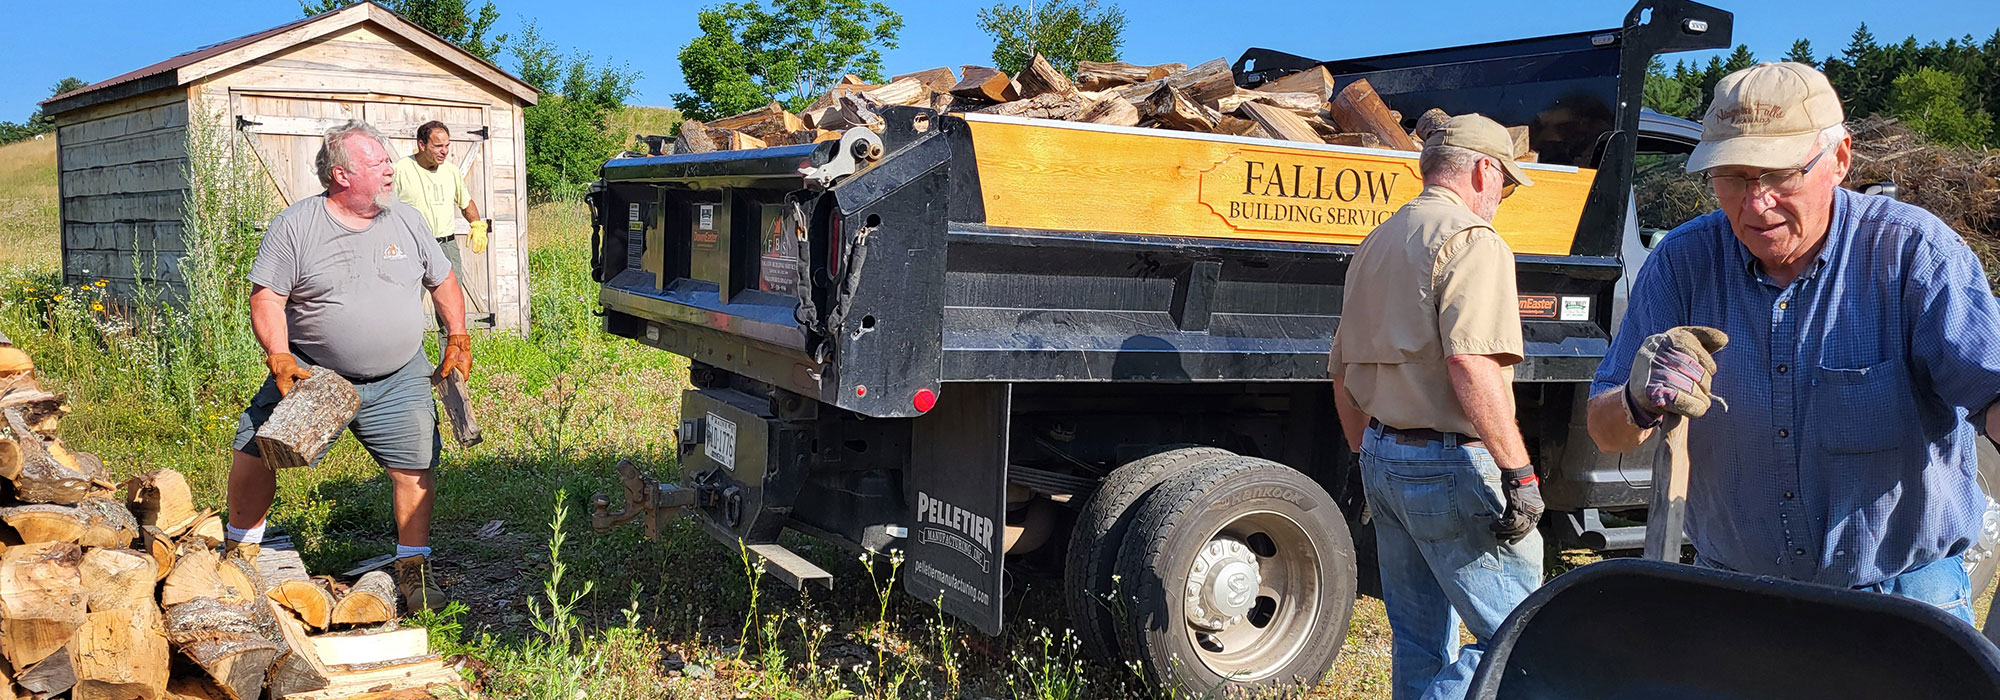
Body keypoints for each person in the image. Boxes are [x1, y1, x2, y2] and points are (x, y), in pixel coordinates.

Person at [1587, 62, 2000, 622]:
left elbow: (1992, 394)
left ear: (1840, 159)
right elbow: (1603, 430)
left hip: (1899, 608)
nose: (1755, 205)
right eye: (1731, 176)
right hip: (1735, 601)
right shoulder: (1684, 262)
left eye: (1780, 175)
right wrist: (1637, 399)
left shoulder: (1913, 255)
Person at [1330, 114, 1545, 700]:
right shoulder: (1473, 240)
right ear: (1484, 169)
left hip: (1382, 454)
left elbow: (1340, 368)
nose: (1502, 197)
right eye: (1505, 181)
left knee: (1419, 639)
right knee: (1522, 638)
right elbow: (1472, 364)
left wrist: (1363, 454)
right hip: (1449, 464)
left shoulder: (1376, 241)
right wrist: (1519, 473)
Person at [226, 120, 472, 613]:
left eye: (386, 161)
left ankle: (412, 571)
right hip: (315, 374)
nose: (389, 170)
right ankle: (239, 553)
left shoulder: (406, 218)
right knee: (255, 449)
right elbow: (268, 298)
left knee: (415, 467)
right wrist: (279, 356)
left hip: (401, 374)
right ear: (341, 175)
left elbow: (442, 280)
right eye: (377, 163)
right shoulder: (296, 225)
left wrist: (458, 334)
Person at [392, 120, 486, 327]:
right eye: (438, 146)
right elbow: (383, 208)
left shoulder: (451, 172)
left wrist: (477, 225)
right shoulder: (400, 169)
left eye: (447, 145)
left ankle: (450, 359)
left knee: (450, 312)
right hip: (412, 248)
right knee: (408, 309)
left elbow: (466, 201)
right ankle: (413, 359)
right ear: (422, 144)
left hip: (446, 246)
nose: (444, 151)